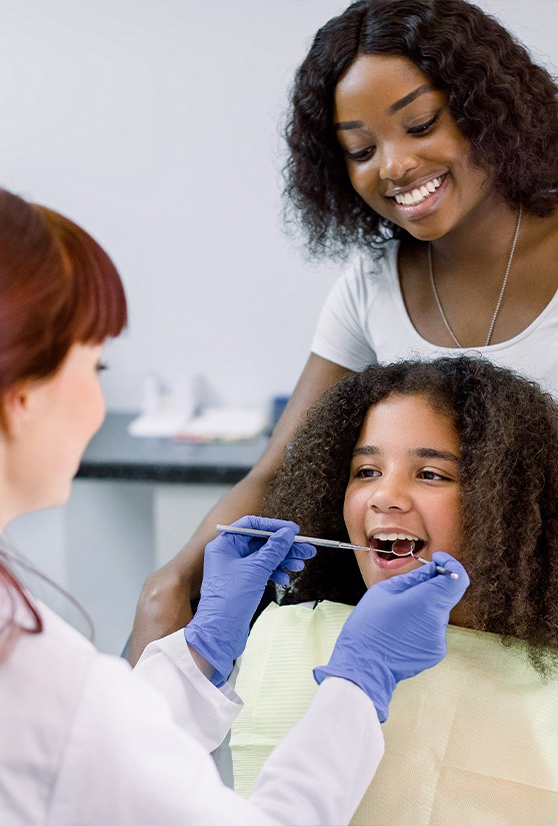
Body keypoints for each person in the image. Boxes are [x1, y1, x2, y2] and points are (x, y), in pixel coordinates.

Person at [0, 176, 468, 825]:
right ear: (21, 395)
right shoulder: (26, 671)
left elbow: (87, 766)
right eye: (95, 369)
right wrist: (359, 682)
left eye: (430, 475)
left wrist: (197, 655)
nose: (387, 498)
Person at [127, 0, 558, 664]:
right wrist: (175, 582)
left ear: (487, 109)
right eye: (361, 148)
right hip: (424, 647)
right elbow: (280, 471)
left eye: (419, 124)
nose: (393, 165)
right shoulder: (369, 288)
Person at [227, 356, 558, 822]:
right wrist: (197, 654)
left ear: (510, 506)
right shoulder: (285, 639)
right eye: (366, 471)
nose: (384, 496)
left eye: (430, 474)